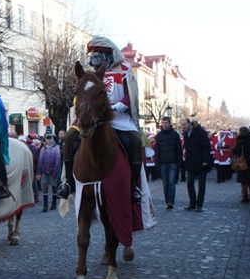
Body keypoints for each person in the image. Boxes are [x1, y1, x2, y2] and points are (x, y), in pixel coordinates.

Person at [60, 36, 143, 203]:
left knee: (134, 141)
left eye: (95, 53)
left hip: (118, 117)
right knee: (69, 138)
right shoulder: (89, 75)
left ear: (107, 55)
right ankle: (68, 182)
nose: (92, 57)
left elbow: (131, 96)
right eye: (91, 54)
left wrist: (118, 106)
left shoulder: (124, 70)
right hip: (90, 115)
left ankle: (134, 185)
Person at [180, 118, 212, 212]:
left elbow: (206, 146)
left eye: (185, 124)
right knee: (189, 183)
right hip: (190, 161)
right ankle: (192, 202)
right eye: (182, 125)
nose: (183, 126)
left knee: (201, 185)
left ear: (190, 123)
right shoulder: (185, 134)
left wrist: (206, 160)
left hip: (201, 161)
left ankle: (200, 205)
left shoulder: (200, 132)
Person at [154, 116, 183, 209]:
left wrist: (179, 161)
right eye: (163, 123)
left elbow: (179, 149)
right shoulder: (159, 136)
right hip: (163, 162)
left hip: (173, 162)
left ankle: (171, 202)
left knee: (171, 182)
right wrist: (157, 163)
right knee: (165, 183)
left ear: (170, 123)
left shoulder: (175, 135)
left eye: (166, 123)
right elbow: (157, 150)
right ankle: (167, 201)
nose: (164, 125)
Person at [37, 132, 61, 212]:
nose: (49, 140)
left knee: (54, 188)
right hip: (44, 171)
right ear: (45, 139)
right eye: (47, 139)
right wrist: (39, 172)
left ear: (53, 139)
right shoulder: (43, 149)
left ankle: (54, 203)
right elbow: (40, 160)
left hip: (52, 172)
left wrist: (54, 172)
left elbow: (57, 161)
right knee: (45, 188)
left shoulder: (56, 149)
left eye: (50, 138)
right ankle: (45, 205)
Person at [233, 126, 250, 203]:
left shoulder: (240, 140)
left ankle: (245, 196)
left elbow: (236, 150)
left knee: (243, 181)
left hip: (242, 161)